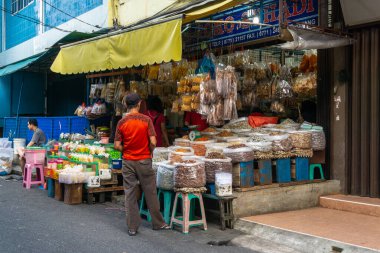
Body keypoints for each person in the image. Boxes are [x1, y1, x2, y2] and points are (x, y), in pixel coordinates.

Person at [114, 93, 169, 236]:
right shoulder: (146, 120)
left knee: (130, 194)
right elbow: (153, 142)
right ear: (139, 104)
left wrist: (125, 149)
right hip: (144, 160)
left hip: (128, 161)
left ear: (126, 105)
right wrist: (149, 152)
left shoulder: (122, 122)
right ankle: (158, 223)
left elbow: (116, 145)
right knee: (150, 192)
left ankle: (132, 227)